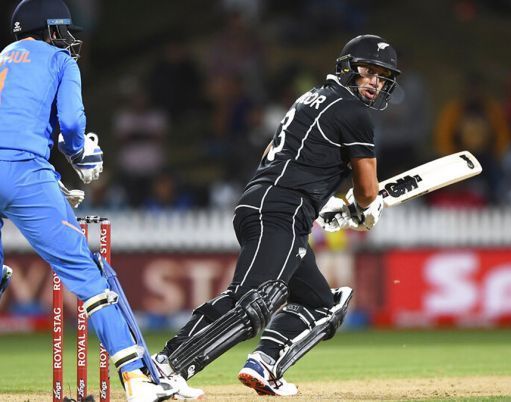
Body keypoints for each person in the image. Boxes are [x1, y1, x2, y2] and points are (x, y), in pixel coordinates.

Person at [153, 34, 401, 396]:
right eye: (368, 71)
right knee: (253, 299)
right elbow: (366, 189)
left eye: (382, 77)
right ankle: (168, 364)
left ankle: (264, 363)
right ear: (347, 67)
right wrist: (365, 209)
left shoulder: (310, 98)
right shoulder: (353, 113)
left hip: (266, 201)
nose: (374, 83)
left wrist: (323, 202)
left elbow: (277, 152)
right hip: (282, 210)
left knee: (321, 304)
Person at [0, 1, 197, 400]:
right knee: (90, 277)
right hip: (22, 171)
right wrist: (80, 156)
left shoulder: (3, 57)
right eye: (63, 29)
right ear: (48, 28)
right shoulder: (58, 60)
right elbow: (71, 126)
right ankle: (136, 381)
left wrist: (52, 180)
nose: (68, 38)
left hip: (23, 168)